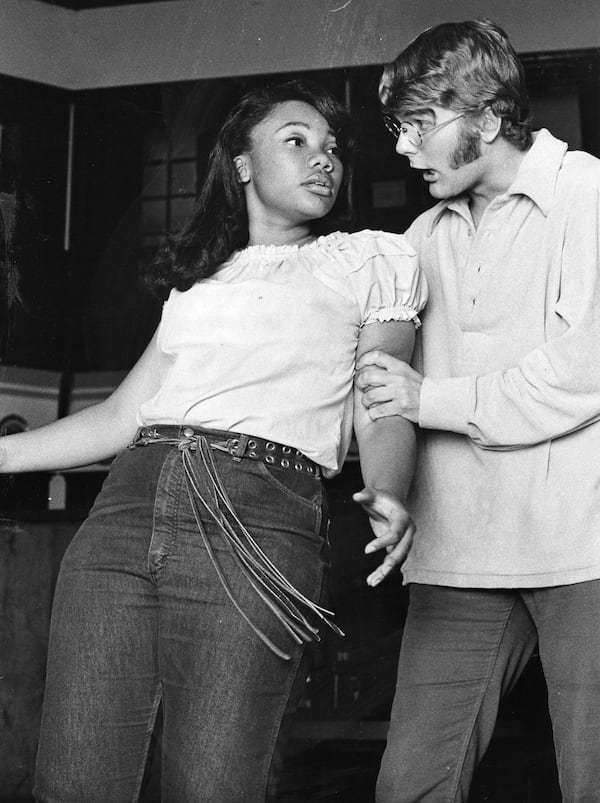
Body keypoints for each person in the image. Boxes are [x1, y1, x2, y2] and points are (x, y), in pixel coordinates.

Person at [0, 79, 426, 803]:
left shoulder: (371, 259)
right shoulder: (197, 283)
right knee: (75, 780)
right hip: (124, 516)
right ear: (240, 162)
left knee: (213, 783)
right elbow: (124, 415)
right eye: (296, 140)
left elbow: (382, 396)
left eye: (331, 149)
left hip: (256, 518)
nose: (323, 158)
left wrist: (389, 488)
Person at [355, 18, 600, 803]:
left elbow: (584, 367)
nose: (403, 147)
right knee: (409, 789)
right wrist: (388, 487)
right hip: (459, 555)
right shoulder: (420, 235)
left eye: (421, 124)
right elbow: (381, 385)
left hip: (585, 549)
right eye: (399, 126)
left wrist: (434, 400)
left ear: (490, 118)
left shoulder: (585, 193)